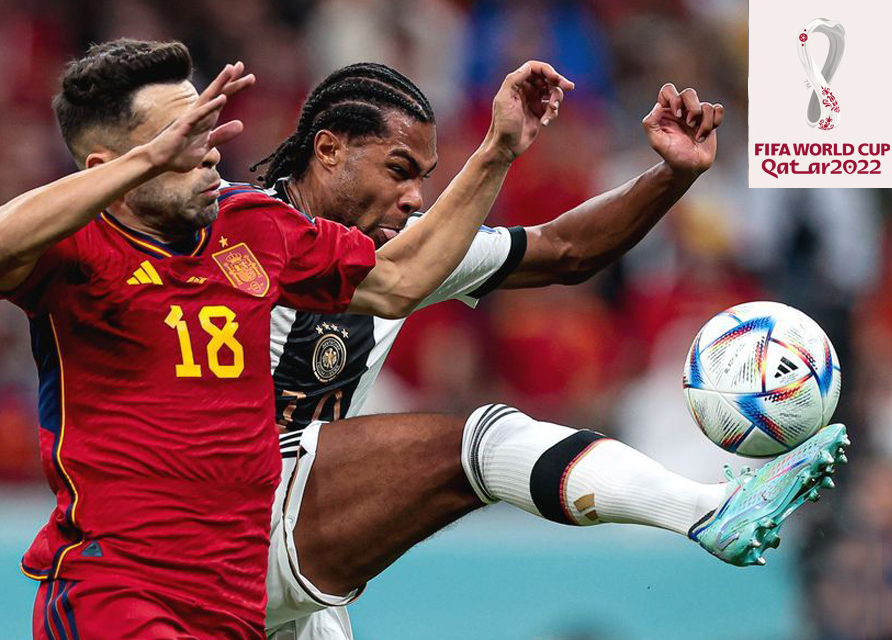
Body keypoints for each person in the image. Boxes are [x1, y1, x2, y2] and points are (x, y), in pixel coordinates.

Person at [0, 40, 571, 639]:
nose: (207, 152)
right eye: (181, 139)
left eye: (205, 131)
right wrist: (150, 160)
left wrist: (497, 150)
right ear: (112, 167)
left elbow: (400, 280)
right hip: (119, 593)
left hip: (234, 606)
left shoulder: (252, 225)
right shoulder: (75, 249)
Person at [247, 64, 851, 639]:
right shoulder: (239, 234)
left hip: (285, 546)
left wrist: (672, 174)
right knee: (482, 445)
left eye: (422, 178)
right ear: (329, 150)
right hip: (229, 510)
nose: (412, 198)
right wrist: (497, 149)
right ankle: (707, 509)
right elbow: (394, 285)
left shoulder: (409, 248)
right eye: (398, 170)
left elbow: (565, 250)